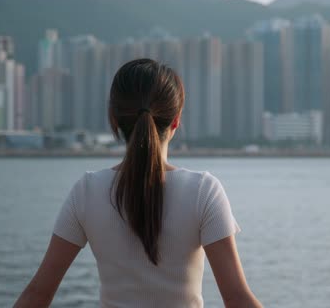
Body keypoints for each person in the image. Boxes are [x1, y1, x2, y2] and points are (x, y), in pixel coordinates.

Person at [14, 59, 262, 308]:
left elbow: (38, 295)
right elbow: (237, 299)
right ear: (176, 121)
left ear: (114, 119)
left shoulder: (87, 191)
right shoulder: (202, 191)